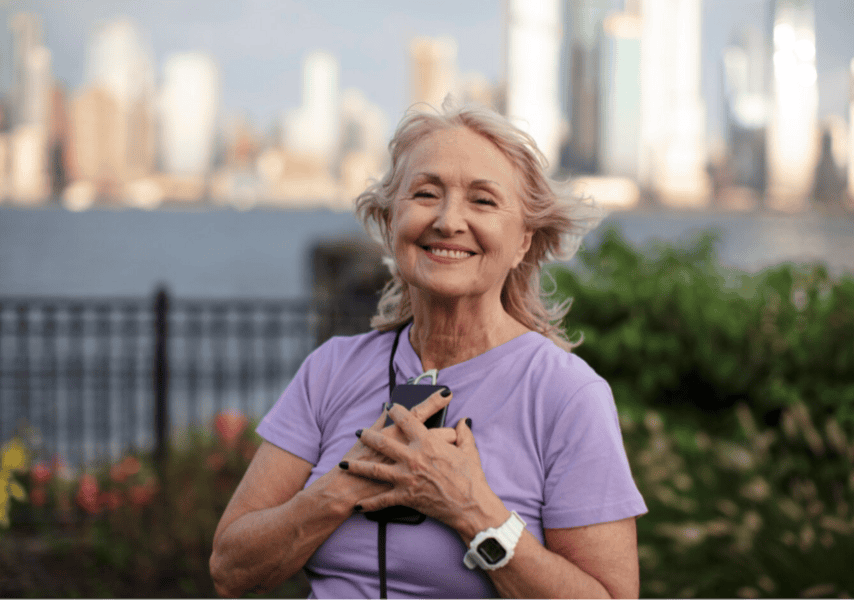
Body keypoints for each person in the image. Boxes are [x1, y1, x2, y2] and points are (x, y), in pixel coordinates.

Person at [210, 100, 648, 599]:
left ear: (524, 240)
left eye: (483, 201)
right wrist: (342, 487)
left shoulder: (567, 394)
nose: (447, 221)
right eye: (425, 193)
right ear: (390, 218)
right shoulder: (331, 369)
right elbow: (230, 567)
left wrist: (473, 509)